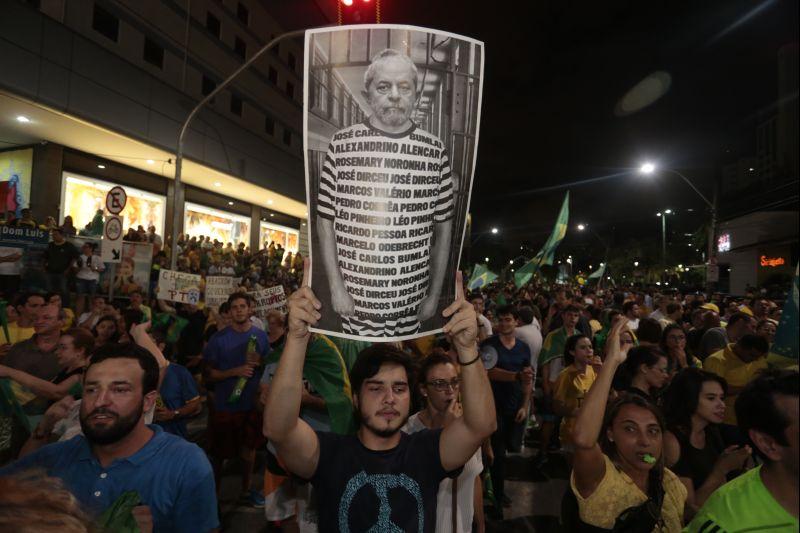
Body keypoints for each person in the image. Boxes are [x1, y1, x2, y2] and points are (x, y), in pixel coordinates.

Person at [263, 267, 496, 533]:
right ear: (355, 399)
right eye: (375, 389)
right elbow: (278, 429)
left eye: (399, 388)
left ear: (412, 396)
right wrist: (296, 338)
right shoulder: (328, 454)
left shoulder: (426, 451)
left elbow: (481, 425)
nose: (389, 399)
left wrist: (467, 347)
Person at [0, 342, 219, 532]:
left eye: (120, 390)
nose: (100, 402)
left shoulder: (186, 464)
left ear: (148, 401)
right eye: (92, 390)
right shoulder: (57, 456)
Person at [315, 48, 455, 338]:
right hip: (354, 308)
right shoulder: (342, 144)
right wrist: (336, 288)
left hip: (412, 308)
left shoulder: (435, 150)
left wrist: (433, 295)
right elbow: (325, 220)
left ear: (415, 95)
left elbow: (444, 228)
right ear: (368, 95)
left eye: (404, 87)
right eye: (384, 86)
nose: (394, 94)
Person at [568, 317, 687, 531]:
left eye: (653, 431)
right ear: (610, 433)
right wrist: (612, 361)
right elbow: (584, 440)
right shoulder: (602, 480)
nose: (644, 441)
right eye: (630, 429)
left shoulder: (669, 483)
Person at [686, 369, 798, 532]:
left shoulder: (713, 434)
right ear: (767, 444)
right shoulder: (726, 525)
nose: (720, 405)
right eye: (710, 398)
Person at [403, 354, 485, 533]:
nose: (450, 390)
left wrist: (480, 524)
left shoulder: (469, 427)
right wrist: (446, 432)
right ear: (424, 390)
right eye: (440, 384)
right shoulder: (408, 433)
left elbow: (475, 478)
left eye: (455, 382)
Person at [203, 292, 270, 499]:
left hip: (250, 405)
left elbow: (268, 367)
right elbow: (208, 375)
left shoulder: (260, 336)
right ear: (229, 311)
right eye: (235, 307)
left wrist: (260, 363)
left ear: (250, 309)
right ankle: (213, 497)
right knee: (218, 455)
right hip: (225, 406)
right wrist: (234, 372)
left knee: (249, 452)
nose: (239, 310)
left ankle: (246, 490)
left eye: (243, 306)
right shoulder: (218, 339)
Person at [662, 369, 751, 518]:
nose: (721, 405)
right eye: (711, 398)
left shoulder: (710, 430)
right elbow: (688, 511)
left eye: (722, 398)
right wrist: (722, 468)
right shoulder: (671, 440)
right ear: (689, 399)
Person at [482, 304, 532, 513]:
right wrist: (515, 376)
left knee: (506, 451)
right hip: (492, 406)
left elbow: (528, 377)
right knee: (496, 453)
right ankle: (496, 496)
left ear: (516, 322)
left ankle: (496, 489)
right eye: (500, 320)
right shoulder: (489, 345)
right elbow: (488, 372)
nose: (504, 323)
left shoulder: (523, 348)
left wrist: (525, 404)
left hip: (514, 405)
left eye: (508, 319)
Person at [0, 328, 93, 401]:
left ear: (80, 351)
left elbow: (55, 392)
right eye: (58, 347)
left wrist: (10, 372)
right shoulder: (67, 370)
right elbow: (43, 391)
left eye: (63, 348)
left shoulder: (82, 374)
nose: (57, 352)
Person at [538, 304, 581, 462]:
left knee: (569, 420)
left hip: (572, 386)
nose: (572, 319)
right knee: (548, 420)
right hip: (554, 383)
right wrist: (546, 385)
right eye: (569, 315)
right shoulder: (553, 336)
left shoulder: (579, 337)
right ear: (563, 316)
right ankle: (542, 452)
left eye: (575, 316)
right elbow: (545, 361)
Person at [703, 334, 769, 426]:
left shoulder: (757, 358)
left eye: (758, 357)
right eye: (752, 355)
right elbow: (716, 390)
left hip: (751, 418)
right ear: (739, 346)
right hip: (726, 420)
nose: (755, 360)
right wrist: (749, 388)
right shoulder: (717, 360)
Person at [553, 334, 598, 450]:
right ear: (572, 352)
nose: (589, 351)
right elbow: (557, 406)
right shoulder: (566, 375)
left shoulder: (594, 371)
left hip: (592, 431)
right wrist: (577, 411)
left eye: (590, 347)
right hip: (572, 432)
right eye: (583, 348)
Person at [3, 304, 63, 380]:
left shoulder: (73, 349)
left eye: (46, 318)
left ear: (61, 321)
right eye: (36, 318)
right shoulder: (18, 348)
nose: (39, 321)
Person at [43, 228, 79, 306]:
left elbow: (75, 257)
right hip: (50, 271)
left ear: (61, 235)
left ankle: (65, 307)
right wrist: (43, 268)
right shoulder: (50, 245)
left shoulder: (69, 246)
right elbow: (45, 257)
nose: (54, 236)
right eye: (53, 235)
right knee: (49, 290)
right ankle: (50, 305)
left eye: (56, 234)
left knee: (64, 290)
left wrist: (68, 269)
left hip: (63, 272)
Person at [74, 242, 104, 318]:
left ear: (91, 248)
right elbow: (75, 270)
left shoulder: (97, 258)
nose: (84, 248)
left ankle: (91, 317)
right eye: (83, 247)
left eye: (86, 247)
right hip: (81, 278)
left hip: (93, 279)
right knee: (80, 297)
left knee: (92, 298)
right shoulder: (80, 257)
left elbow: (102, 269)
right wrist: (79, 267)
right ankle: (78, 317)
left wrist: (95, 268)